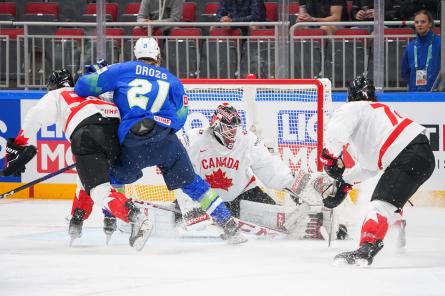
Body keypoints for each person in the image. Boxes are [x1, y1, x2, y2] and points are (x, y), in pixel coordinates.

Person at [74, 37, 247, 244]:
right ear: (157, 55)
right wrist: (163, 130)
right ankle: (229, 225)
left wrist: (97, 74)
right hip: (165, 141)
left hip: (131, 143)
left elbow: (82, 87)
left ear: (135, 54)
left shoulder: (122, 69)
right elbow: (182, 114)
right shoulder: (172, 79)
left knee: (109, 181)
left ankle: (116, 220)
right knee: (193, 184)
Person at [0, 69, 153, 251]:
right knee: (88, 177)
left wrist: (17, 146)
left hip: (87, 132)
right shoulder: (90, 93)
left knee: (99, 190)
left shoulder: (57, 94)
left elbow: (36, 115)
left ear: (52, 86)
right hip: (115, 131)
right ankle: (78, 217)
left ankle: (136, 216)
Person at [178, 103, 342, 240]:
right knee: (180, 216)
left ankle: (325, 226)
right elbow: (179, 170)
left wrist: (295, 185)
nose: (233, 134)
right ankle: (180, 215)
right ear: (216, 126)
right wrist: (189, 205)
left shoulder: (247, 140)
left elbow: (269, 168)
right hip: (207, 199)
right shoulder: (194, 140)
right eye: (228, 129)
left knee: (280, 219)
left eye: (234, 129)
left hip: (241, 194)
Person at [320, 75, 435, 266]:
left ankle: (367, 248)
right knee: (391, 201)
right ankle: (397, 233)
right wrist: (346, 181)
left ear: (350, 96)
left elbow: (336, 132)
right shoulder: (377, 113)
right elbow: (370, 166)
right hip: (421, 155)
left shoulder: (352, 108)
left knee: (379, 204)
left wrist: (330, 158)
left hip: (406, 155)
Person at [401, 10, 441, 92]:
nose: (419, 24)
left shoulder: (440, 43)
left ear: (430, 24)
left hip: (436, 93)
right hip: (414, 92)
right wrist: (412, 85)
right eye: (416, 22)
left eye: (423, 22)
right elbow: (404, 72)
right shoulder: (411, 46)